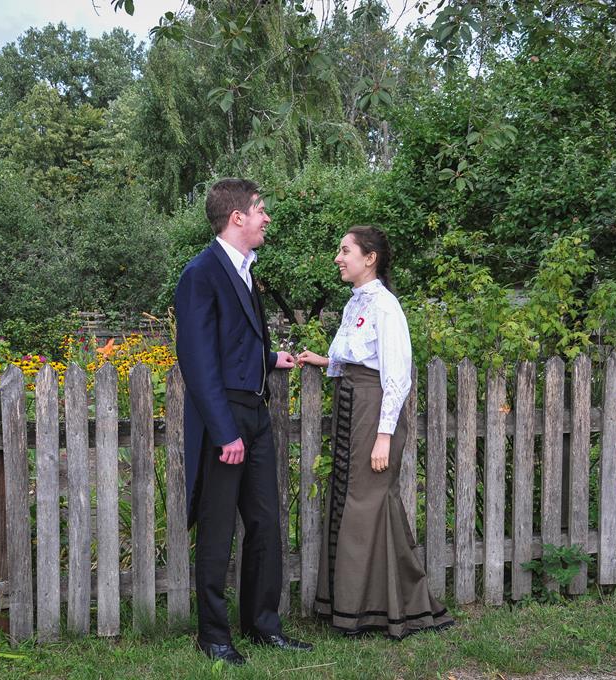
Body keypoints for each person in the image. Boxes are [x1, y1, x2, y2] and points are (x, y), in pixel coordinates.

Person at [174, 178, 313, 666]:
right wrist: (223, 431)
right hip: (225, 419)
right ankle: (213, 636)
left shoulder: (246, 270)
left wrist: (271, 358)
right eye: (260, 209)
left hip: (255, 412)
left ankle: (263, 626)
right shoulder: (200, 273)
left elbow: (235, 341)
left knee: (265, 522)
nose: (266, 218)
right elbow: (197, 360)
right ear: (237, 217)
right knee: (217, 530)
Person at [297, 225, 454, 639]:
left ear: (370, 258)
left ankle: (382, 607)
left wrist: (384, 435)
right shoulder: (356, 302)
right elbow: (358, 356)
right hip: (353, 405)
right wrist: (325, 361)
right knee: (355, 502)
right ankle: (367, 605)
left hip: (374, 411)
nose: (338, 258)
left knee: (366, 503)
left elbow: (397, 375)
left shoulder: (385, 306)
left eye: (345, 250)